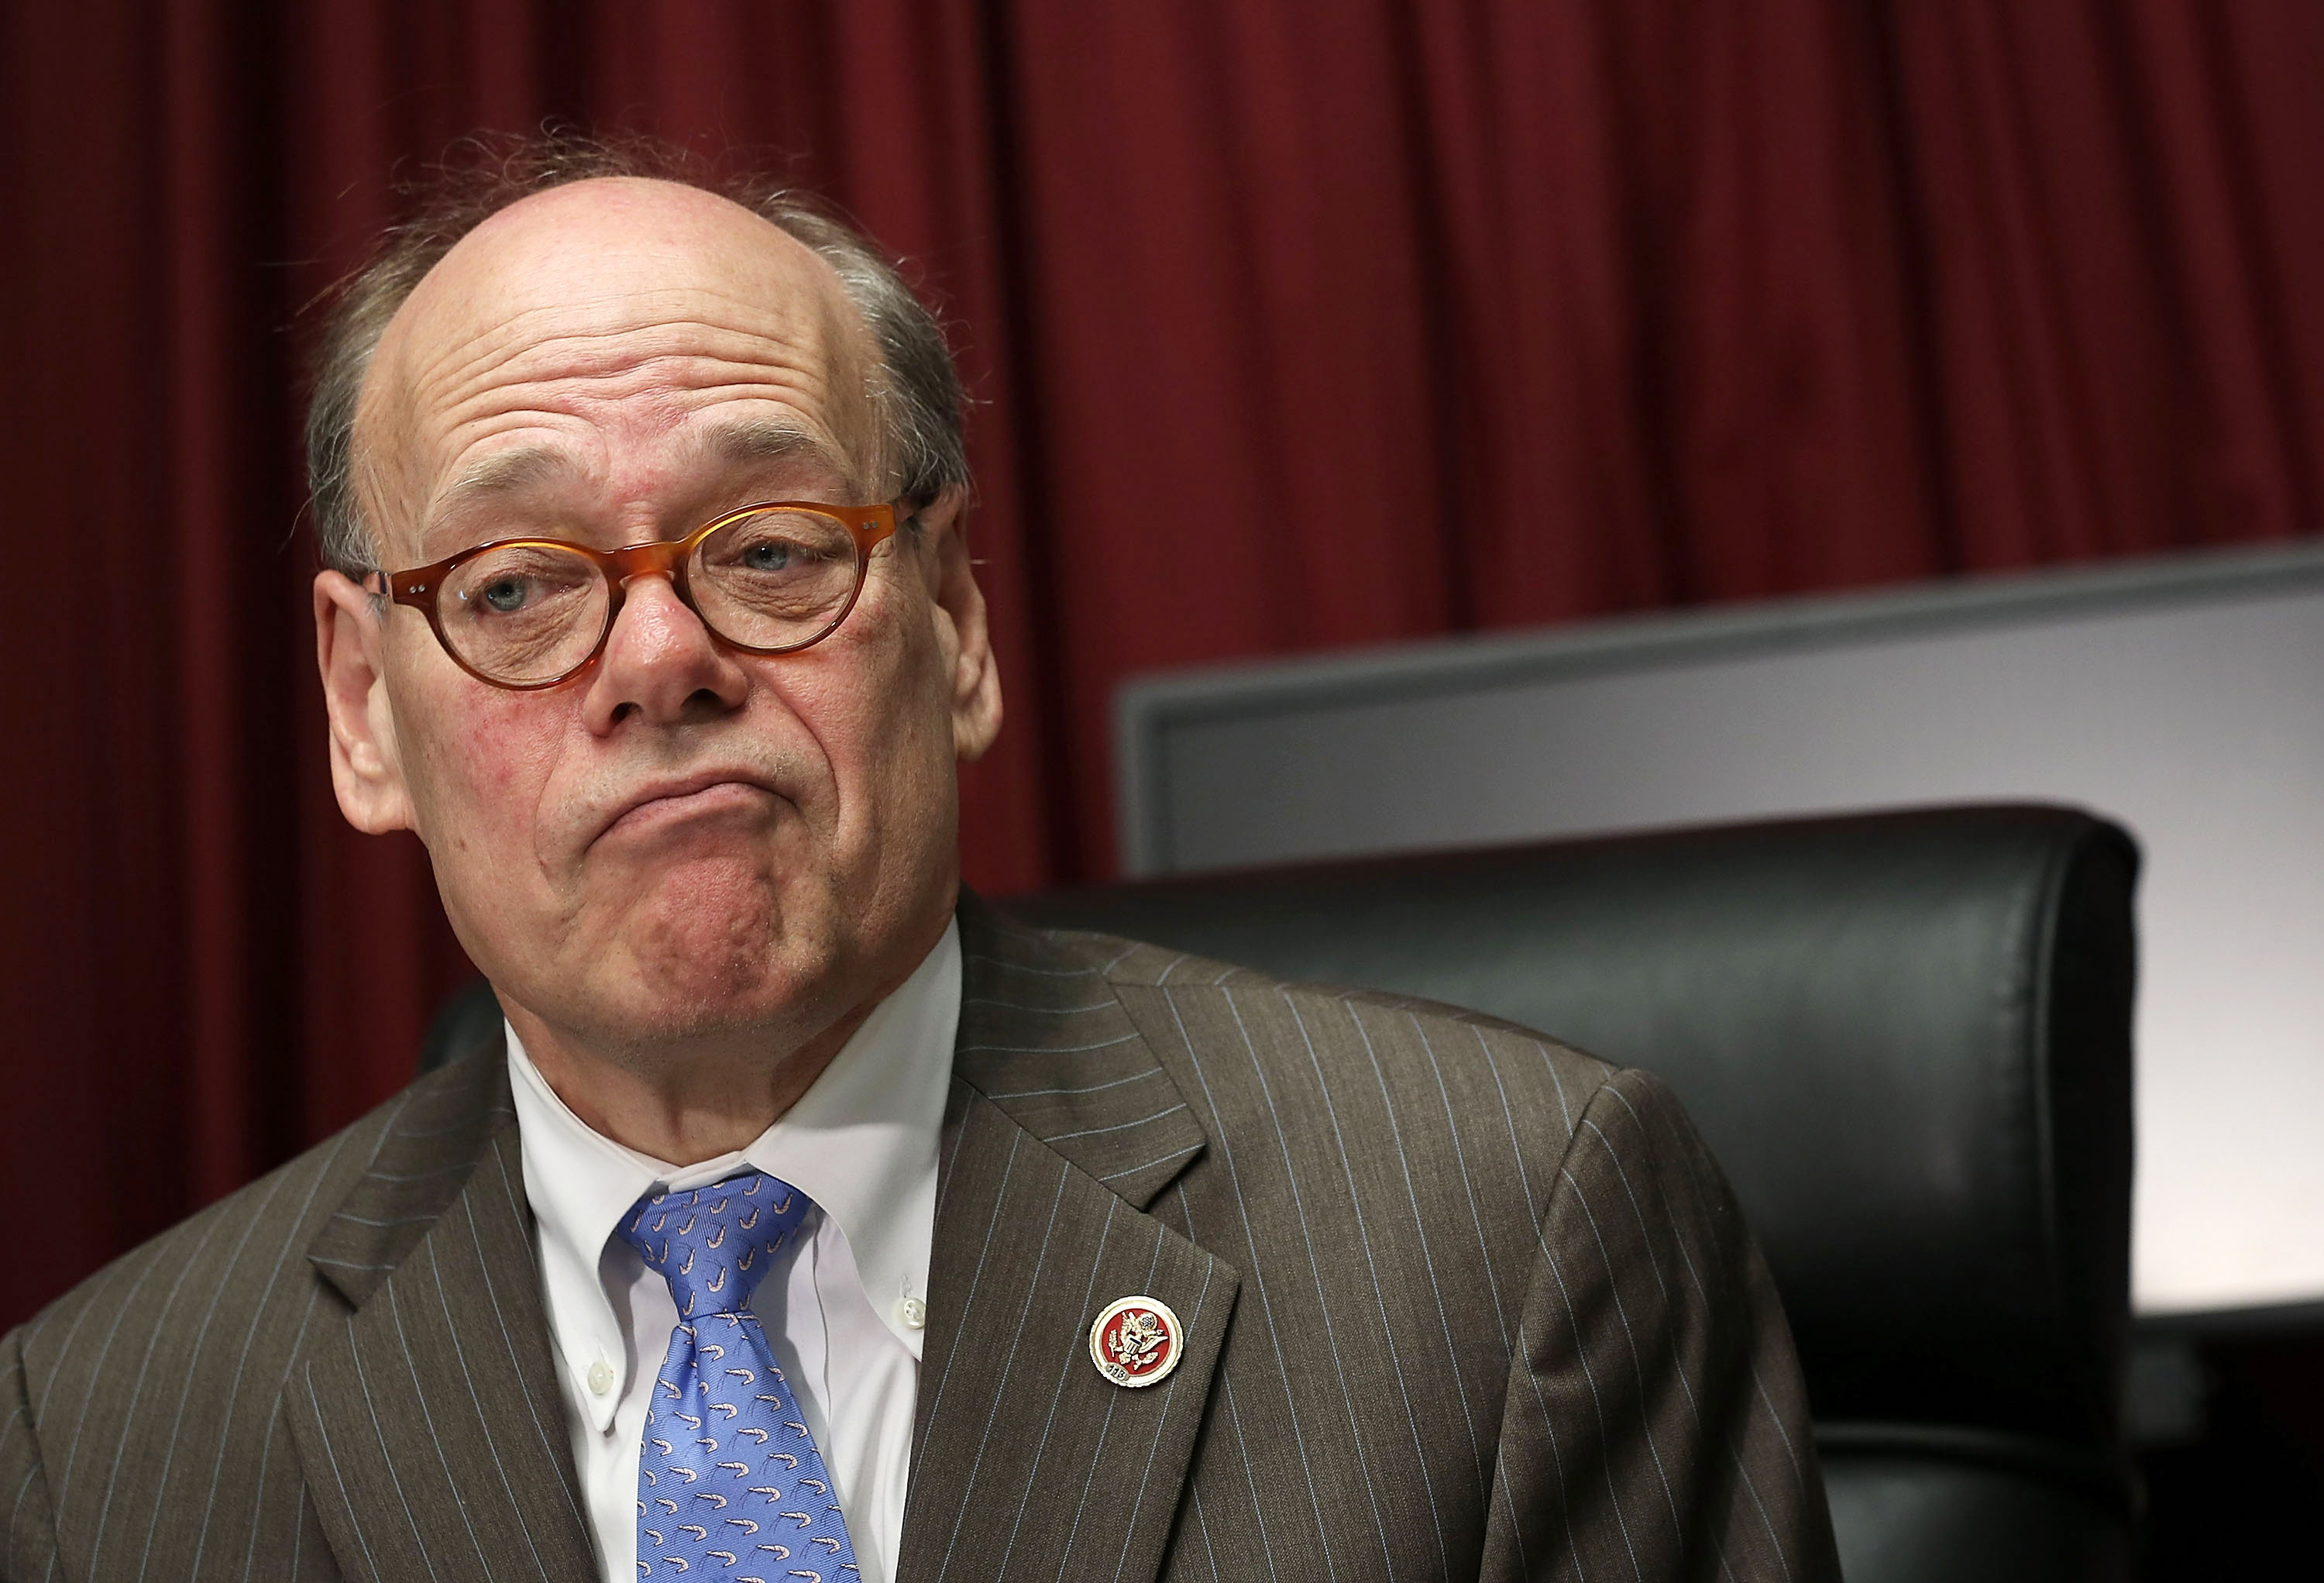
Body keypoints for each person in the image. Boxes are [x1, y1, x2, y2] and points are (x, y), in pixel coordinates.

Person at [0, 141, 1839, 1583]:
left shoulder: (1500, 1243)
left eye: (773, 546)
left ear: (954, 619)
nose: (660, 656)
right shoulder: (96, 1441)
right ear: (362, 711)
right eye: (516, 585)